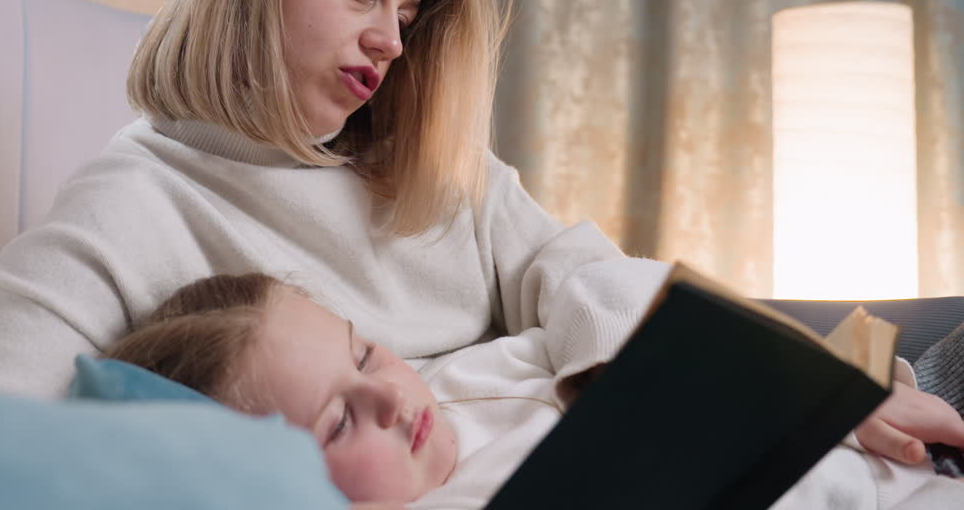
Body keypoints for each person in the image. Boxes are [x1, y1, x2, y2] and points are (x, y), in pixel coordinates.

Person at [0, 0, 677, 402]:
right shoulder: (127, 209)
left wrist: (614, 375)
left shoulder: (438, 181)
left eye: (406, 16)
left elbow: (587, 272)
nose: (390, 41)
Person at [106, 272, 964, 509]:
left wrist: (841, 387)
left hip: (907, 414)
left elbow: (594, 287)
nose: (391, 402)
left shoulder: (466, 373)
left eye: (366, 357)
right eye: (336, 424)